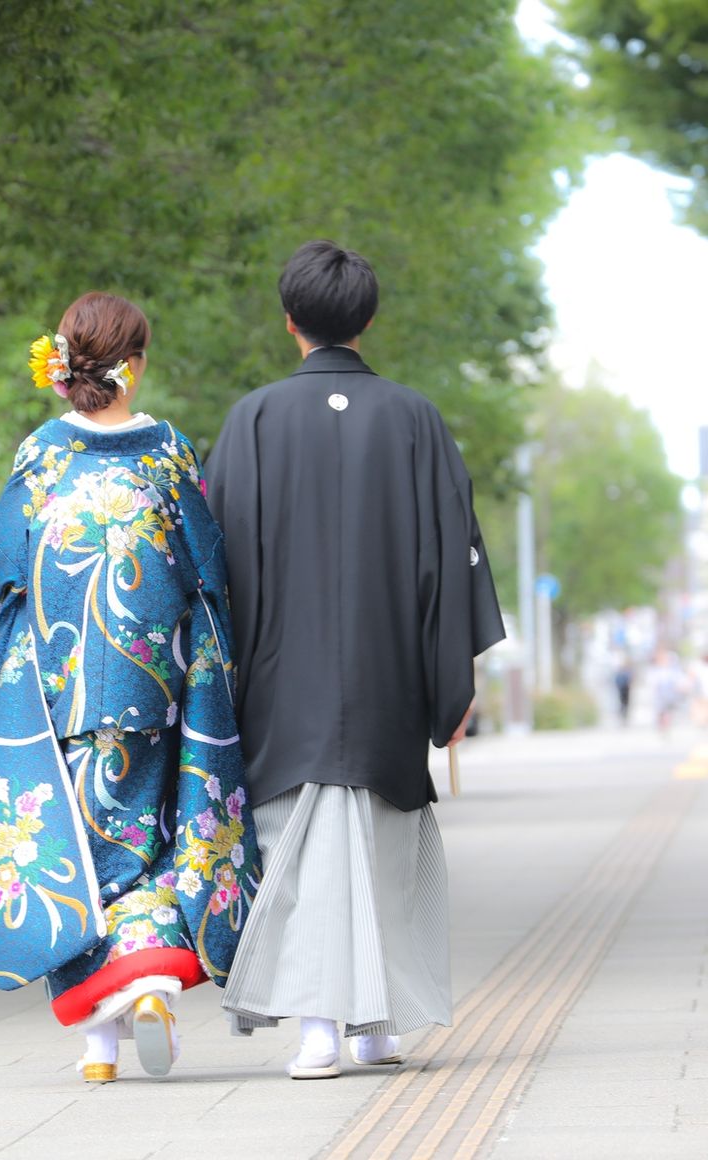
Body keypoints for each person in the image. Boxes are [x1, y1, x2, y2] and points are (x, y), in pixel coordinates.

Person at [206, 241, 505, 1079]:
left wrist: (225, 685)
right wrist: (450, 686)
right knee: (379, 850)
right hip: (389, 679)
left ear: (289, 322)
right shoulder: (415, 419)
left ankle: (319, 1032)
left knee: (298, 858)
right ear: (368, 320)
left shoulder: (253, 421)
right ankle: (378, 1028)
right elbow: (452, 561)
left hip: (281, 686)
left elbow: (216, 567)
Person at [0, 291, 261, 1083]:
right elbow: (208, 570)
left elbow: (7, 571)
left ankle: (98, 1047)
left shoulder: (41, 455)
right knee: (151, 838)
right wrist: (213, 668)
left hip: (64, 691)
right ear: (132, 365)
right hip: (156, 685)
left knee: (81, 849)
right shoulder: (168, 452)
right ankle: (151, 984)